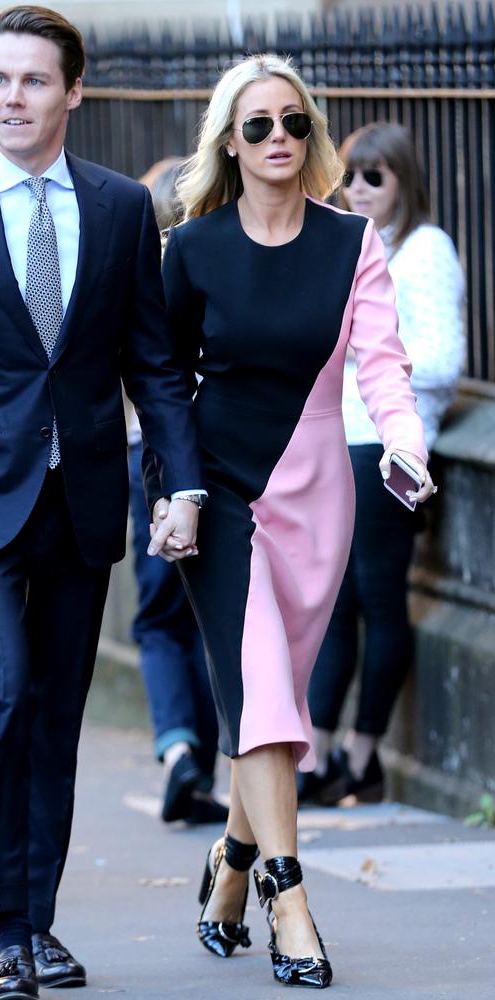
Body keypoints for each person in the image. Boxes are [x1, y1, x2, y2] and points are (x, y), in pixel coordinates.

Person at [0, 7, 203, 1000]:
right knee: (2, 686)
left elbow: (152, 361)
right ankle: (1, 928)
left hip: (81, 494)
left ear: (72, 91)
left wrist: (177, 482)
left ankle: (35, 928)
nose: (11, 98)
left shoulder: (116, 211)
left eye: (31, 80)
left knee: (55, 714)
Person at [151, 54, 435, 990]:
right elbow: (164, 388)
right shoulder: (192, 249)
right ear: (230, 142)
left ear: (310, 135)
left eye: (294, 124)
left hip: (320, 497)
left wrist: (405, 444)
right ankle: (289, 898)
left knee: (272, 708)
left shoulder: (352, 242)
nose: (279, 139)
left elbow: (383, 365)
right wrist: (174, 490)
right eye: (258, 125)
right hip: (220, 495)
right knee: (264, 692)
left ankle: (230, 863)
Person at [300, 122, 465, 806]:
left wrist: (366, 354)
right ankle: (317, 757)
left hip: (387, 450)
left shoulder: (425, 251)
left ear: (404, 183)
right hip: (339, 443)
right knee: (332, 606)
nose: (360, 189)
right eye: (352, 176)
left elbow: (445, 361)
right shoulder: (355, 246)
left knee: (375, 596)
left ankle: (361, 755)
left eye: (376, 177)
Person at [128, 158, 227, 826]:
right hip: (222, 460)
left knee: (159, 617)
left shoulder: (139, 271)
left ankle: (179, 751)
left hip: (154, 465)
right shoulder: (224, 260)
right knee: (209, 618)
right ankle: (204, 767)